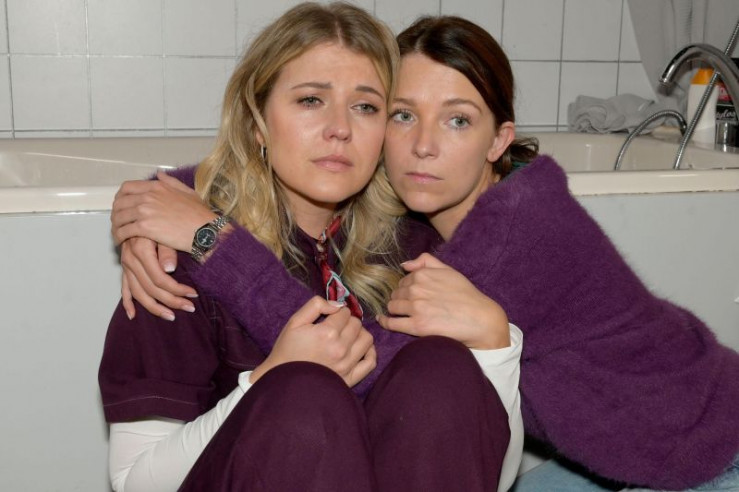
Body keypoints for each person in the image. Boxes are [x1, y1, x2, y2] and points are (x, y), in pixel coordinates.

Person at [116, 11, 739, 492]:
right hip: (623, 450)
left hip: (702, 452)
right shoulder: (418, 220)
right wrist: (162, 200)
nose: (423, 147)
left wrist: (212, 238)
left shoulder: (509, 232)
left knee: (420, 377)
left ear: (499, 140)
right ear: (259, 120)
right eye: (403, 115)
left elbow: (363, 367)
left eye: (458, 120)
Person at [101, 3, 522, 491]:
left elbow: (482, 468)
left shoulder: (416, 249)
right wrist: (265, 381)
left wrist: (497, 347)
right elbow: (134, 481)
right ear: (258, 122)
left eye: (365, 107)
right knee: (303, 395)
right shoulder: (176, 260)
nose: (339, 128)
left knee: (439, 368)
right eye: (310, 100)